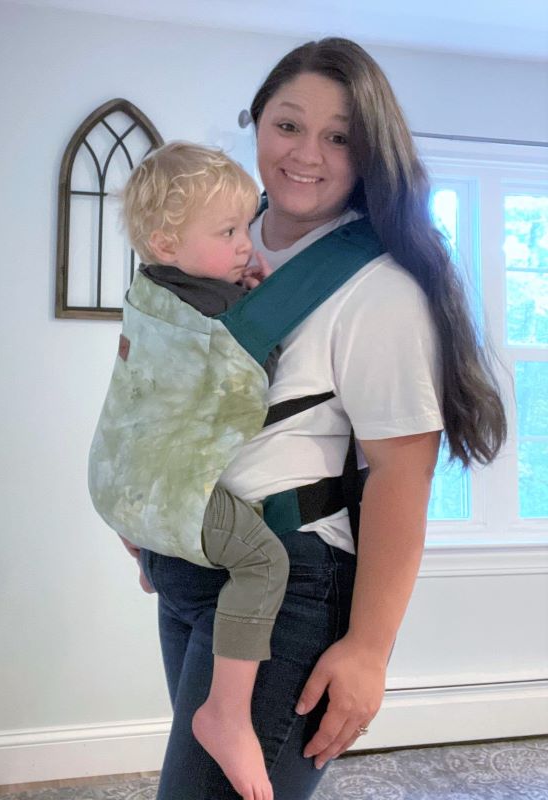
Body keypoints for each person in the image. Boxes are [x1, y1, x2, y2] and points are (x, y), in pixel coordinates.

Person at [122, 38, 507, 800]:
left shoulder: (377, 290)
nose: (308, 154)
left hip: (286, 579)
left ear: (371, 155)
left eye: (340, 138)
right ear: (257, 122)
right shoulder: (226, 245)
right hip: (194, 566)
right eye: (288, 125)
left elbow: (402, 470)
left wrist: (368, 649)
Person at [91, 142, 289, 800]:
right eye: (228, 232)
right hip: (172, 489)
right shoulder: (207, 313)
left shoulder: (156, 290)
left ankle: (146, 553)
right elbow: (245, 374)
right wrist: (267, 320)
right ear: (165, 240)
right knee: (263, 563)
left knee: (155, 528)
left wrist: (239, 287)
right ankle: (225, 716)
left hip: (121, 482)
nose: (244, 244)